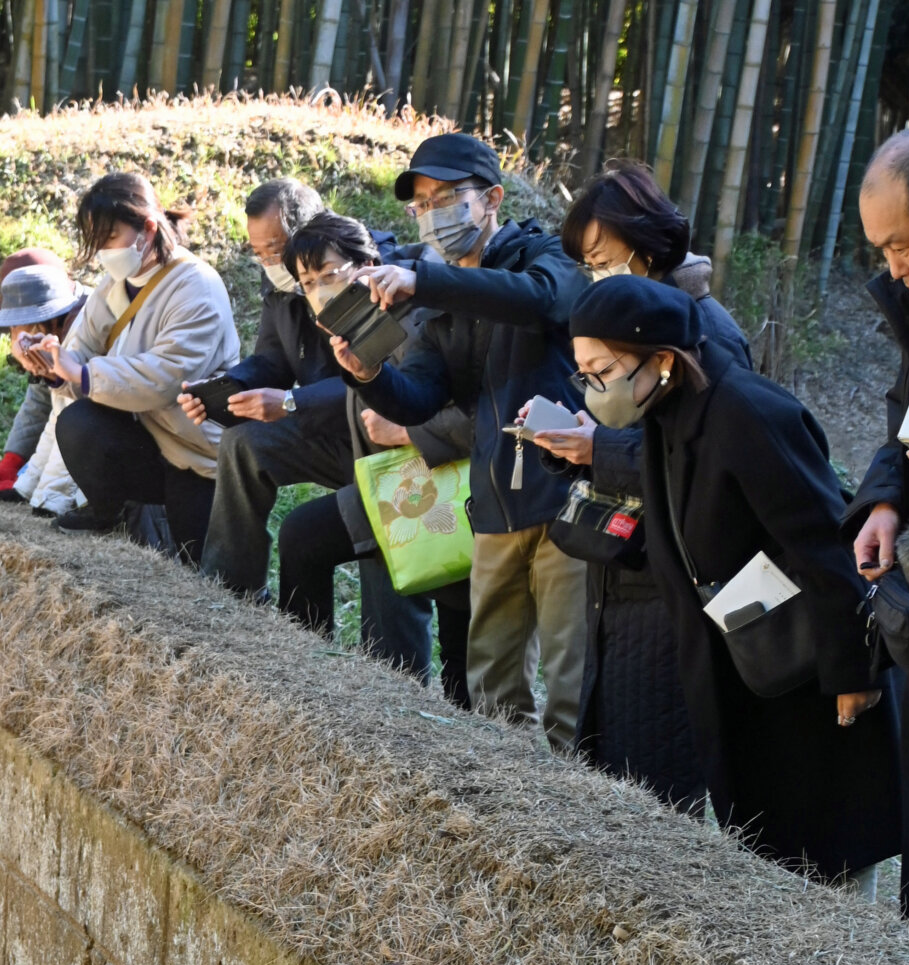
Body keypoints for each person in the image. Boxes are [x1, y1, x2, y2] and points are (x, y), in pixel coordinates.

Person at [571, 275, 896, 883]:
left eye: (602, 370)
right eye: (583, 374)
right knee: (770, 852)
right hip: (747, 665)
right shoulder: (662, 413)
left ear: (663, 359)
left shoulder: (747, 412)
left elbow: (828, 548)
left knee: (826, 858)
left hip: (810, 671)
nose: (595, 390)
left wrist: (855, 673)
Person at [341, 130, 587, 751]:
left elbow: (543, 303)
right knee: (493, 686)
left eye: (447, 196)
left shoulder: (543, 256)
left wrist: (426, 280)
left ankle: (583, 821)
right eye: (420, 204)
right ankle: (515, 814)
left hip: (565, 498)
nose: (432, 213)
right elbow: (422, 395)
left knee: (571, 686)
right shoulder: (438, 297)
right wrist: (369, 373)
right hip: (493, 502)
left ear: (493, 198)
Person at [525, 161, 749, 806]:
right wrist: (574, 445)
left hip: (670, 585)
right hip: (618, 573)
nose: (595, 274)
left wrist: (600, 447)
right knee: (613, 768)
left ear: (648, 246)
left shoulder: (707, 335)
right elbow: (635, 435)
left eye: (602, 258)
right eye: (586, 264)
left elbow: (705, 467)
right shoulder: (634, 324)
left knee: (652, 788)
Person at [264, 215, 472, 699]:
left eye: (330, 273)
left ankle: (422, 712)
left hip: (442, 487)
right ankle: (311, 677)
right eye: (308, 282)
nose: (320, 290)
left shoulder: (421, 319)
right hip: (390, 488)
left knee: (452, 628)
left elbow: (474, 411)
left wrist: (408, 432)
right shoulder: (358, 328)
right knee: (307, 538)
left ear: (369, 264)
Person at [34, 172, 239, 564]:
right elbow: (78, 354)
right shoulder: (112, 286)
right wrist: (53, 367)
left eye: (109, 238)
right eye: (97, 242)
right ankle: (105, 510)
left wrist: (83, 373)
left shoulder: (197, 284)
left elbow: (168, 376)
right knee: (78, 423)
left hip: (195, 453)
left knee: (205, 572)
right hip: (143, 438)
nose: (102, 252)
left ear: (147, 228)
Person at [192, 179, 346, 590]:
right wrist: (224, 390)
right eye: (258, 254)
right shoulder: (280, 284)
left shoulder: (354, 274)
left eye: (276, 250)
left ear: (313, 231)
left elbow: (373, 385)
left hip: (378, 433)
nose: (269, 263)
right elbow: (273, 359)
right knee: (244, 443)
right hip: (322, 424)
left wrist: (294, 402)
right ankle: (228, 590)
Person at [852, 127, 909, 912]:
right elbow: (902, 422)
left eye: (900, 243)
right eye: (880, 249)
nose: (892, 267)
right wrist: (884, 502)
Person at [0, 255, 87, 517]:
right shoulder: (55, 330)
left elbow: (73, 411)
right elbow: (44, 403)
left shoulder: (83, 329)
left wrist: (50, 499)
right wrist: (15, 464)